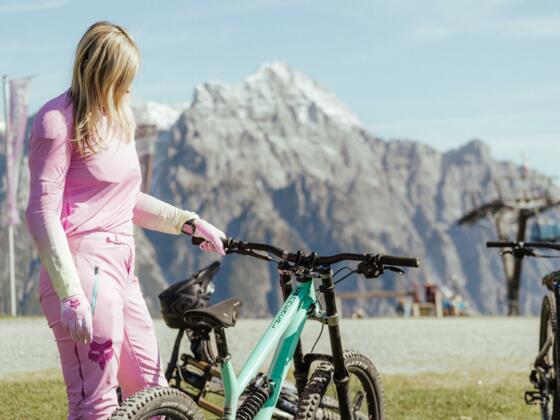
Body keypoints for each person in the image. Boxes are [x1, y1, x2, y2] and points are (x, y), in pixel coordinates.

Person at [24, 21, 226, 419]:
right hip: (83, 272)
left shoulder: (118, 118)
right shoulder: (57, 120)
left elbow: (125, 199)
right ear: (103, 72)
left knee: (154, 393)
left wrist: (188, 222)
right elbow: (41, 211)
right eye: (124, 77)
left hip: (123, 268)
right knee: (95, 402)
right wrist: (70, 293)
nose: (130, 87)